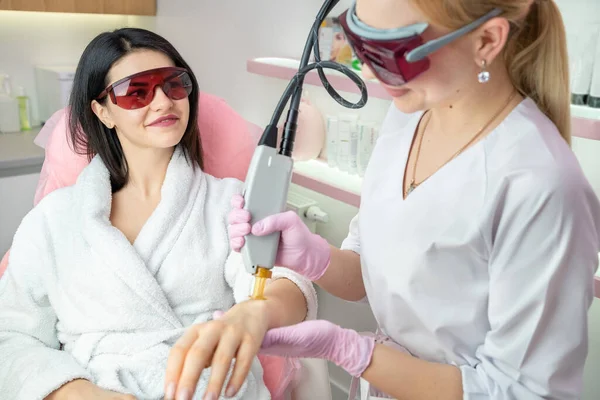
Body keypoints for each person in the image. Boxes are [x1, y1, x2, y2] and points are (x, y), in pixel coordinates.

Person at [169, 0, 600, 399]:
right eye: (359, 42)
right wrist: (312, 257)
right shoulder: (411, 115)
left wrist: (352, 351)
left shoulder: (539, 185)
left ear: (486, 40)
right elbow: (368, 277)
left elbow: (521, 392)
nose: (370, 74)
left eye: (391, 52)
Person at [0, 28, 316, 400]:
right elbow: (13, 335)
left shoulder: (229, 202)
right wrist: (79, 393)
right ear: (102, 111)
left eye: (174, 84)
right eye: (137, 92)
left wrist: (258, 313)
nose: (164, 102)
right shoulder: (52, 220)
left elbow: (283, 281)